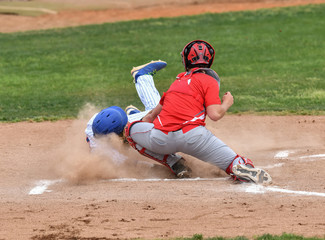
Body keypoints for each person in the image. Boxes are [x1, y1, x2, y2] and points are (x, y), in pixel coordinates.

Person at [125, 40, 272, 184]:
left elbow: (150, 116)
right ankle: (242, 168)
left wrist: (131, 134)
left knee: (129, 130)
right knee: (234, 162)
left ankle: (174, 162)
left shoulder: (177, 82)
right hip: (194, 138)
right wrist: (227, 102)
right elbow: (214, 114)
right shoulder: (209, 80)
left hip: (162, 139)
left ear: (185, 60)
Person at [85, 60, 191, 178]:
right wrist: (164, 169)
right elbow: (135, 165)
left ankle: (142, 77)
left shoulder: (94, 124)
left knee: (159, 114)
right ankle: (142, 78)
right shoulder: (110, 155)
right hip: (127, 132)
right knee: (150, 124)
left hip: (132, 122)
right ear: (113, 137)